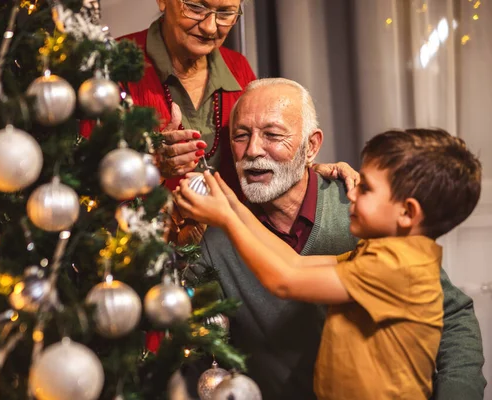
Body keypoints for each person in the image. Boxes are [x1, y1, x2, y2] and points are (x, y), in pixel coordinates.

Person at [176, 78, 487, 399]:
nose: (253, 150)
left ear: (311, 146)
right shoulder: (374, 246)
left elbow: (286, 277)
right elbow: (294, 264)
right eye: (241, 136)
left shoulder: (390, 255)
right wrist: (229, 209)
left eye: (272, 134)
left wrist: (227, 216)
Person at [80, 0, 358, 244]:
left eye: (225, 13)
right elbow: (83, 178)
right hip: (137, 253)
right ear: (163, 1)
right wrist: (151, 167)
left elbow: (257, 156)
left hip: (228, 253)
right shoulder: (113, 66)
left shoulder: (238, 67)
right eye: (197, 7)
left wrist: (306, 165)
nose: (211, 27)